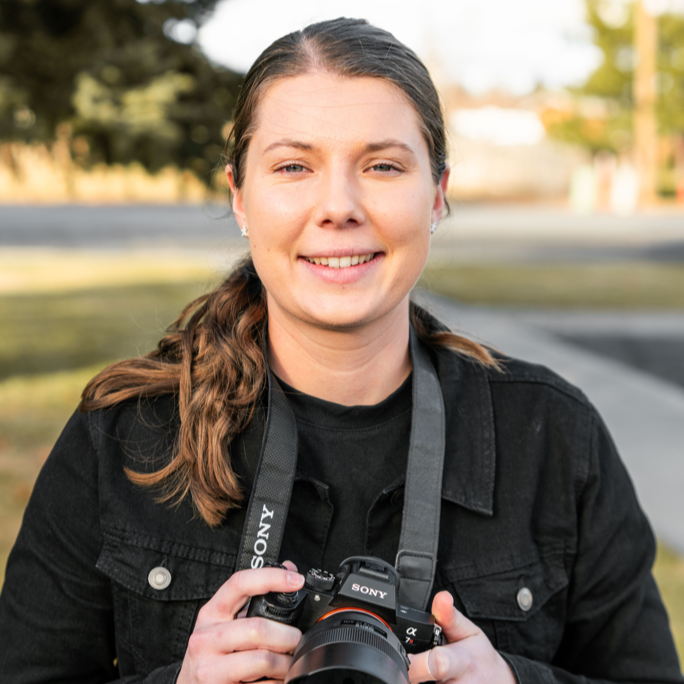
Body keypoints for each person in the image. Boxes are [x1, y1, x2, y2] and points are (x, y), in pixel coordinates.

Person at [0, 16, 681, 684]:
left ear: (438, 195)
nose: (338, 206)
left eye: (382, 165)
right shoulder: (125, 440)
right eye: (294, 165)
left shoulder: (554, 440)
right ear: (240, 196)